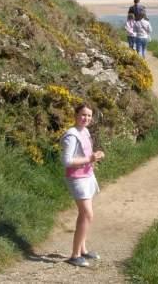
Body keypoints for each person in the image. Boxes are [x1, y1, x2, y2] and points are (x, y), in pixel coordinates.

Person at [60, 103, 105, 267]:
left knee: (84, 214)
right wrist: (90, 159)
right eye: (83, 114)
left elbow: (86, 154)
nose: (86, 118)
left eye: (89, 115)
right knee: (87, 214)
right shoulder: (71, 135)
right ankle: (75, 255)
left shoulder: (85, 131)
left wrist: (95, 156)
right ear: (76, 115)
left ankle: (83, 250)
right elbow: (67, 161)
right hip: (76, 178)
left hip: (87, 176)